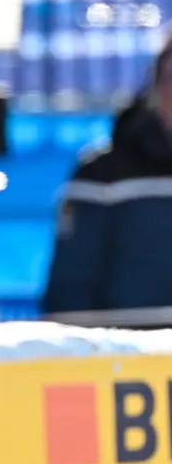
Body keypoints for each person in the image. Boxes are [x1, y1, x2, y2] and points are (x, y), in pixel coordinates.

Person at [43, 38, 172, 315]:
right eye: (171, 80)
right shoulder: (101, 175)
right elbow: (69, 292)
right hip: (131, 353)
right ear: (156, 88)